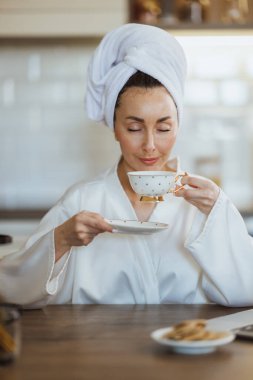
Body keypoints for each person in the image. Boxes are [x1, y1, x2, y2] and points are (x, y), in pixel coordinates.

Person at [1, 23, 253, 307]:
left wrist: (219, 211)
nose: (149, 145)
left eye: (163, 127)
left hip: (187, 346)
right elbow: (10, 289)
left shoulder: (201, 205)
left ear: (178, 125)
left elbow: (248, 291)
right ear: (115, 128)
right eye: (134, 128)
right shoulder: (83, 200)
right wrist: (60, 240)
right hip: (98, 349)